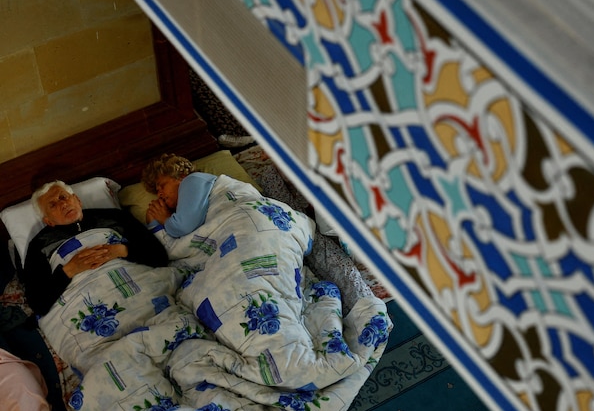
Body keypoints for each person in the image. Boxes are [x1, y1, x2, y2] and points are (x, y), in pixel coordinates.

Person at [141, 154, 375, 312]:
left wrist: (162, 221)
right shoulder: (190, 201)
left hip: (252, 222)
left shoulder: (193, 181)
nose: (159, 194)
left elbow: (182, 227)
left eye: (162, 185)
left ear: (178, 175)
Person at [22, 181, 168, 316]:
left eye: (63, 197)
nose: (63, 204)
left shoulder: (115, 217)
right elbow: (38, 304)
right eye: (53, 205)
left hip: (140, 288)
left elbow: (160, 257)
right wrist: (70, 269)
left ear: (77, 199)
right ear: (48, 221)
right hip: (88, 306)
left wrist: (121, 251)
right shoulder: (40, 245)